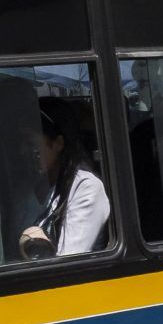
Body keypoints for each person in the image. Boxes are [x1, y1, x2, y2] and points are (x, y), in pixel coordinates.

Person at [18, 98, 111, 258]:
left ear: (58, 143)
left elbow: (68, 261)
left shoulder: (86, 187)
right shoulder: (32, 188)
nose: (22, 151)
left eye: (30, 143)